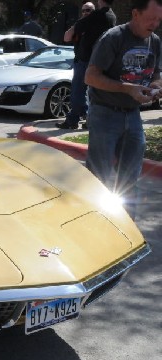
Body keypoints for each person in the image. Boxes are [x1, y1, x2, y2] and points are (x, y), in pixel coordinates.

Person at [84, 0, 162, 212]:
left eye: (158, 19)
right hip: (105, 113)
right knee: (98, 176)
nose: (155, 24)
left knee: (130, 175)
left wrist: (156, 86)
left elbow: (156, 73)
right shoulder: (113, 37)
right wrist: (127, 88)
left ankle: (126, 228)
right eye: (150, 18)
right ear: (136, 14)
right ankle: (92, 222)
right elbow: (90, 77)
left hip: (133, 114)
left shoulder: (154, 41)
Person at [56, 0, 115, 129]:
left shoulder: (97, 17)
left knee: (78, 91)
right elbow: (66, 37)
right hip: (93, 61)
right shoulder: (111, 16)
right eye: (83, 10)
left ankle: (73, 120)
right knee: (90, 93)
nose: (85, 13)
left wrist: (81, 22)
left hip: (86, 61)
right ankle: (88, 119)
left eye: (88, 10)